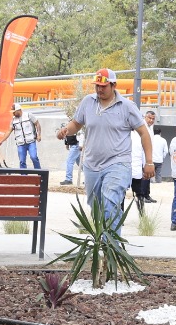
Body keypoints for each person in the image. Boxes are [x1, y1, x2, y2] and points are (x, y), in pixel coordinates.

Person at [55, 67, 154, 229]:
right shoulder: (88, 102)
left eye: (103, 86)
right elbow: (76, 123)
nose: (99, 89)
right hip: (92, 165)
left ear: (114, 85)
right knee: (97, 209)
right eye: (97, 86)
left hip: (118, 163)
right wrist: (66, 130)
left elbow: (144, 133)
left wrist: (149, 162)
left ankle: (112, 244)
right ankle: (102, 241)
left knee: (110, 204)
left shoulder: (127, 106)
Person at [10, 102, 41, 169]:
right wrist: (1, 140)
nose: (13, 113)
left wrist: (39, 135)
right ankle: (23, 175)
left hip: (31, 141)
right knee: (22, 161)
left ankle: (39, 172)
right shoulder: (13, 120)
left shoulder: (29, 115)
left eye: (14, 112)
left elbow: (37, 124)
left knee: (34, 157)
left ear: (18, 110)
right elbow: (8, 131)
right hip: (20, 143)